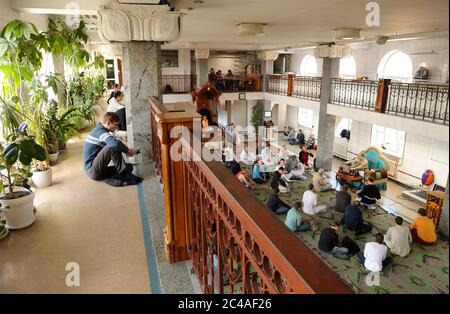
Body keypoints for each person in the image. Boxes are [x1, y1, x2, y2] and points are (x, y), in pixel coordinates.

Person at [83, 112, 142, 186]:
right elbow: (114, 144)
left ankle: (114, 180)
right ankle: (123, 176)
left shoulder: (102, 131)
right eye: (115, 124)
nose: (117, 127)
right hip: (93, 171)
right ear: (108, 123)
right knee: (112, 145)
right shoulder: (99, 131)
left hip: (100, 170)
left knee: (129, 167)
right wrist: (128, 151)